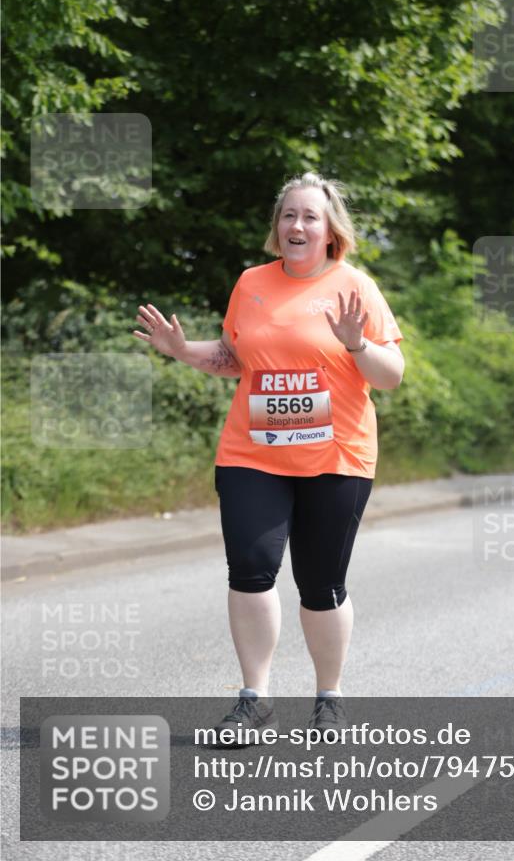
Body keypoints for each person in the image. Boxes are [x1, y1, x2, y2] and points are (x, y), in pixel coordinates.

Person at [133, 172, 404, 739]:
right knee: (251, 570)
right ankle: (255, 698)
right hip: (252, 452)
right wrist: (182, 350)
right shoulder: (251, 282)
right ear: (276, 227)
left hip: (336, 456)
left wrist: (357, 344)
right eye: (288, 216)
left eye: (309, 217)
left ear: (331, 231)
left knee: (320, 583)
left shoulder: (356, 286)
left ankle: (329, 698)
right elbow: (235, 357)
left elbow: (392, 377)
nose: (297, 226)